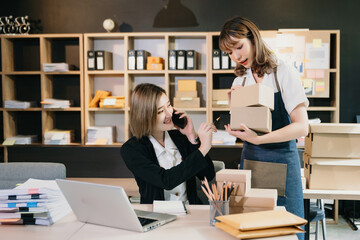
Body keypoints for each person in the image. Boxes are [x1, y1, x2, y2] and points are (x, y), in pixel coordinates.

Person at [219, 17, 308, 239]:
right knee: (252, 225)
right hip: (251, 161)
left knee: (288, 228)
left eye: (239, 47)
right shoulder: (240, 80)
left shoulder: (281, 71)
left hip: (282, 161)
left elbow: (301, 127)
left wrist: (259, 139)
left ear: (253, 38)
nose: (237, 57)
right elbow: (247, 124)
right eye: (230, 53)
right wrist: (236, 124)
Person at [121, 83, 216, 204]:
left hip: (190, 210)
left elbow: (207, 176)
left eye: (169, 105)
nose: (169, 114)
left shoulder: (181, 138)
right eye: (160, 111)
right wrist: (203, 148)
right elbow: (166, 180)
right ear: (144, 116)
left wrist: (191, 136)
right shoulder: (131, 149)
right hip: (158, 214)